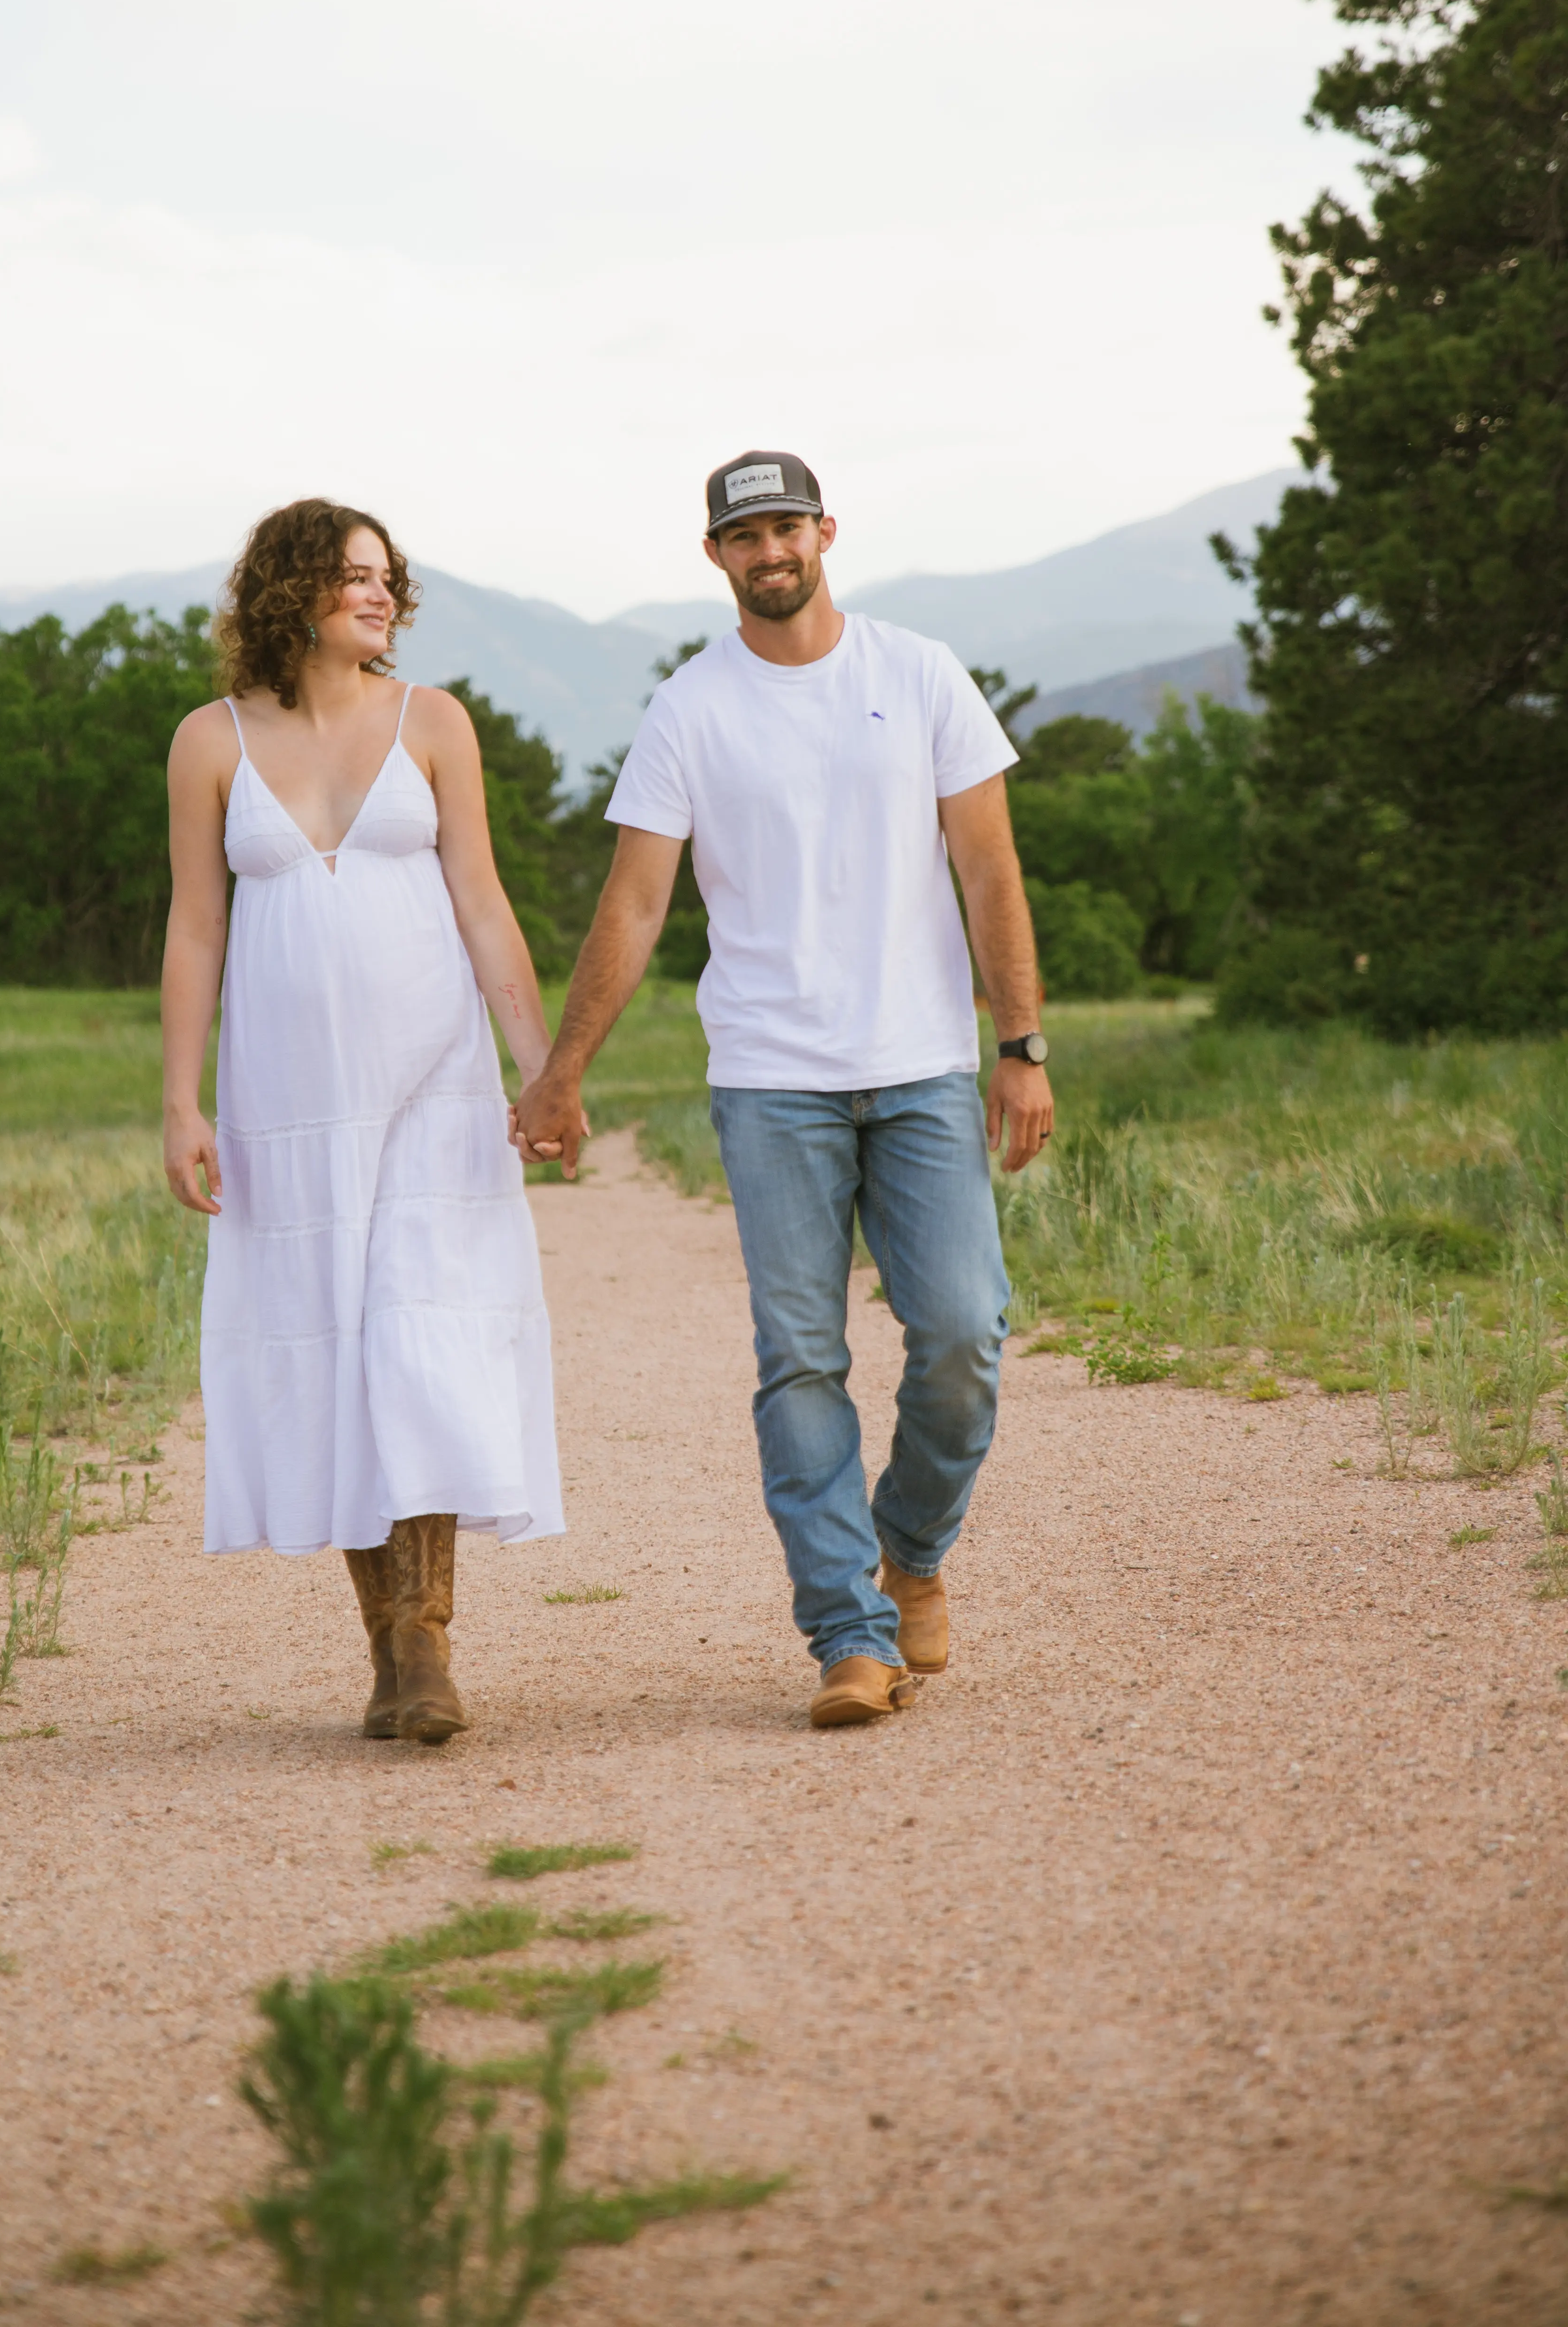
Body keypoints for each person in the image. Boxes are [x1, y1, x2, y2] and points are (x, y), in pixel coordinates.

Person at [512, 450, 1053, 1730]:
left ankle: (908, 1550)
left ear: (825, 533)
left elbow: (988, 868)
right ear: (716, 557)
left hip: (922, 1068)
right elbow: (637, 900)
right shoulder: (689, 710)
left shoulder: (919, 675)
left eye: (785, 527)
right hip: (771, 1082)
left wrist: (1022, 1046)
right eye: (743, 535)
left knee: (965, 1334)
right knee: (801, 1360)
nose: (769, 551)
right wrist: (561, 1074)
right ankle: (848, 1638)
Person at [161, 498, 564, 1747]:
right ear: (290, 591)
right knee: (332, 1349)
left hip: (432, 1087)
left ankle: (426, 1641)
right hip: (288, 1102)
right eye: (353, 579)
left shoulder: (432, 723)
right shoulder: (209, 740)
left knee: (417, 1345)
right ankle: (385, 1653)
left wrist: (541, 1068)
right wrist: (180, 1100)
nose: (381, 597)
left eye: (389, 580)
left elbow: (486, 906)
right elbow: (195, 928)